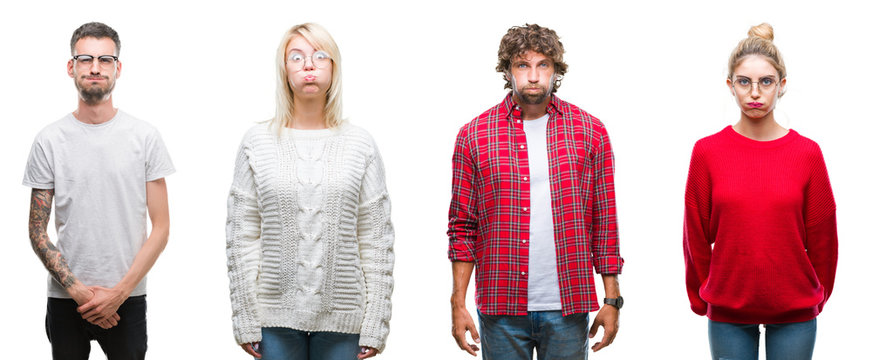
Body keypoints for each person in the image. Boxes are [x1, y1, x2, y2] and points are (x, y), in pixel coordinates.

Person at [448, 24, 624, 360]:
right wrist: (458, 303)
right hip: (501, 306)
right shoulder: (474, 136)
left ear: (556, 71)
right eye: (522, 65)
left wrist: (612, 299)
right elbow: (462, 227)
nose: (533, 76)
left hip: (568, 307)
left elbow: (604, 220)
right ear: (507, 70)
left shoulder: (591, 131)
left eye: (543, 65)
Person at [226, 23, 394, 360]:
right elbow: (241, 237)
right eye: (296, 56)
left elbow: (376, 239)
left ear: (333, 68)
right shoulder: (256, 143)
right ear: (284, 69)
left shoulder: (360, 144)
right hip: (274, 319)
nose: (308, 64)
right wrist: (244, 317)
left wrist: (377, 320)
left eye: (320, 55)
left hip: (344, 321)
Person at [683, 23, 838, 360]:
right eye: (744, 82)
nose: (755, 92)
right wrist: (703, 295)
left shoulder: (807, 154)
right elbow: (695, 233)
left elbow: (824, 236)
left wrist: (817, 295)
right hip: (728, 309)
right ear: (730, 85)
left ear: (781, 86)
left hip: (794, 309)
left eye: (766, 82)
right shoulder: (707, 152)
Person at [23, 22, 174, 360]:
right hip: (66, 300)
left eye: (105, 59)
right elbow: (36, 229)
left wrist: (119, 293)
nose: (95, 67)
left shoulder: (144, 137)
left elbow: (161, 228)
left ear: (118, 68)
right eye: (85, 58)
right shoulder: (49, 140)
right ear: (71, 66)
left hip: (127, 299)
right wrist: (76, 291)